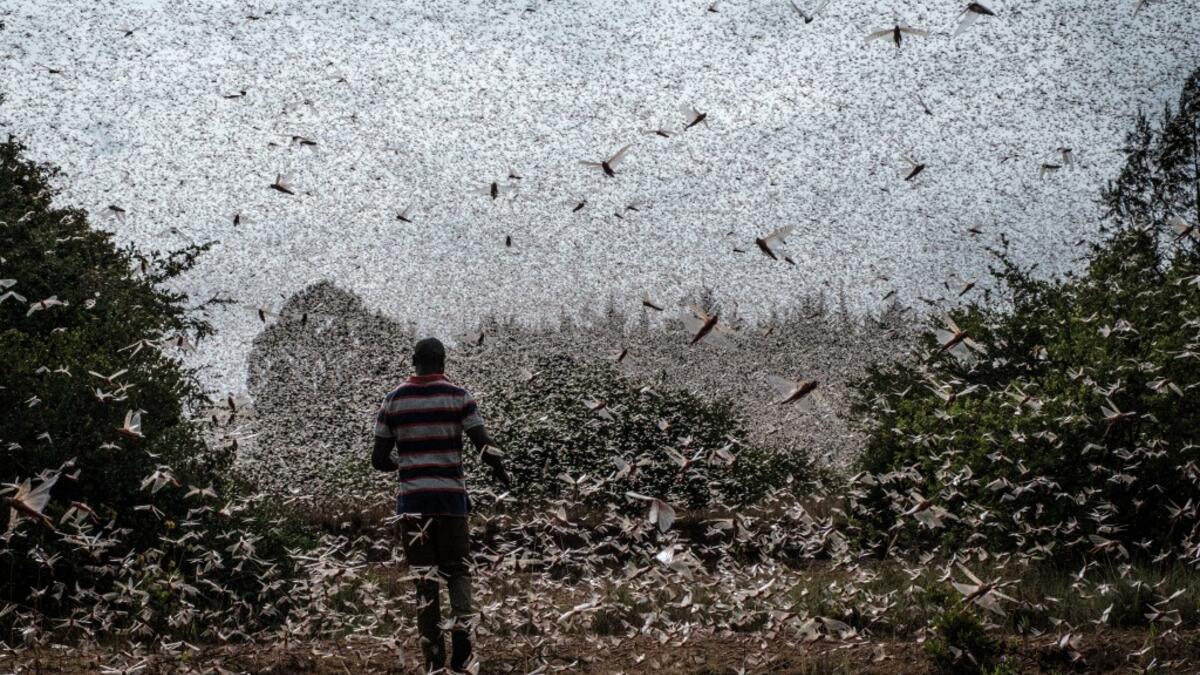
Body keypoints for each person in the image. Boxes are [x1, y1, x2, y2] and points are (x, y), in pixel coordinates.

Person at [372, 337, 511, 673]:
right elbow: (483, 445)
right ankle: (463, 655)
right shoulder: (459, 397)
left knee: (425, 581)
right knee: (459, 574)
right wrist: (501, 471)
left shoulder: (393, 401)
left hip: (413, 508)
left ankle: (433, 661)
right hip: (451, 503)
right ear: (443, 362)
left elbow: (378, 459)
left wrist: (405, 466)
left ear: (413, 360)